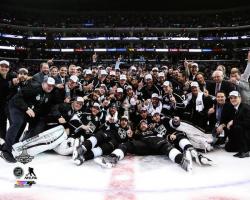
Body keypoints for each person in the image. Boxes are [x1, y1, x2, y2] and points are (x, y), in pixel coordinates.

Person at [95, 119, 193, 172]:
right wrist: (130, 136)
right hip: (143, 145)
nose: (143, 125)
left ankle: (183, 161)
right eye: (141, 124)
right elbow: (129, 138)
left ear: (147, 125)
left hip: (157, 143)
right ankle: (112, 159)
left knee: (166, 145)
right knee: (125, 145)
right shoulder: (137, 133)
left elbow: (162, 136)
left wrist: (169, 136)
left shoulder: (153, 130)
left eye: (144, 124)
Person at [0, 77, 57, 163]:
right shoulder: (34, 88)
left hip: (27, 110)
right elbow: (17, 97)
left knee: (23, 125)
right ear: (43, 83)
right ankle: (5, 151)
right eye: (48, 85)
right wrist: (26, 108)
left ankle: (13, 145)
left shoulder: (49, 94)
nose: (50, 87)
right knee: (17, 123)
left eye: (52, 86)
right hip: (15, 105)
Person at [225, 91, 250, 158]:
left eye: (235, 97)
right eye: (231, 98)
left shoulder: (245, 108)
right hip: (241, 135)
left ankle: (245, 150)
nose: (233, 99)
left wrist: (234, 122)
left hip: (247, 134)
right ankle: (240, 147)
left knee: (238, 127)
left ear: (240, 98)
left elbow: (248, 123)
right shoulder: (236, 108)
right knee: (228, 148)